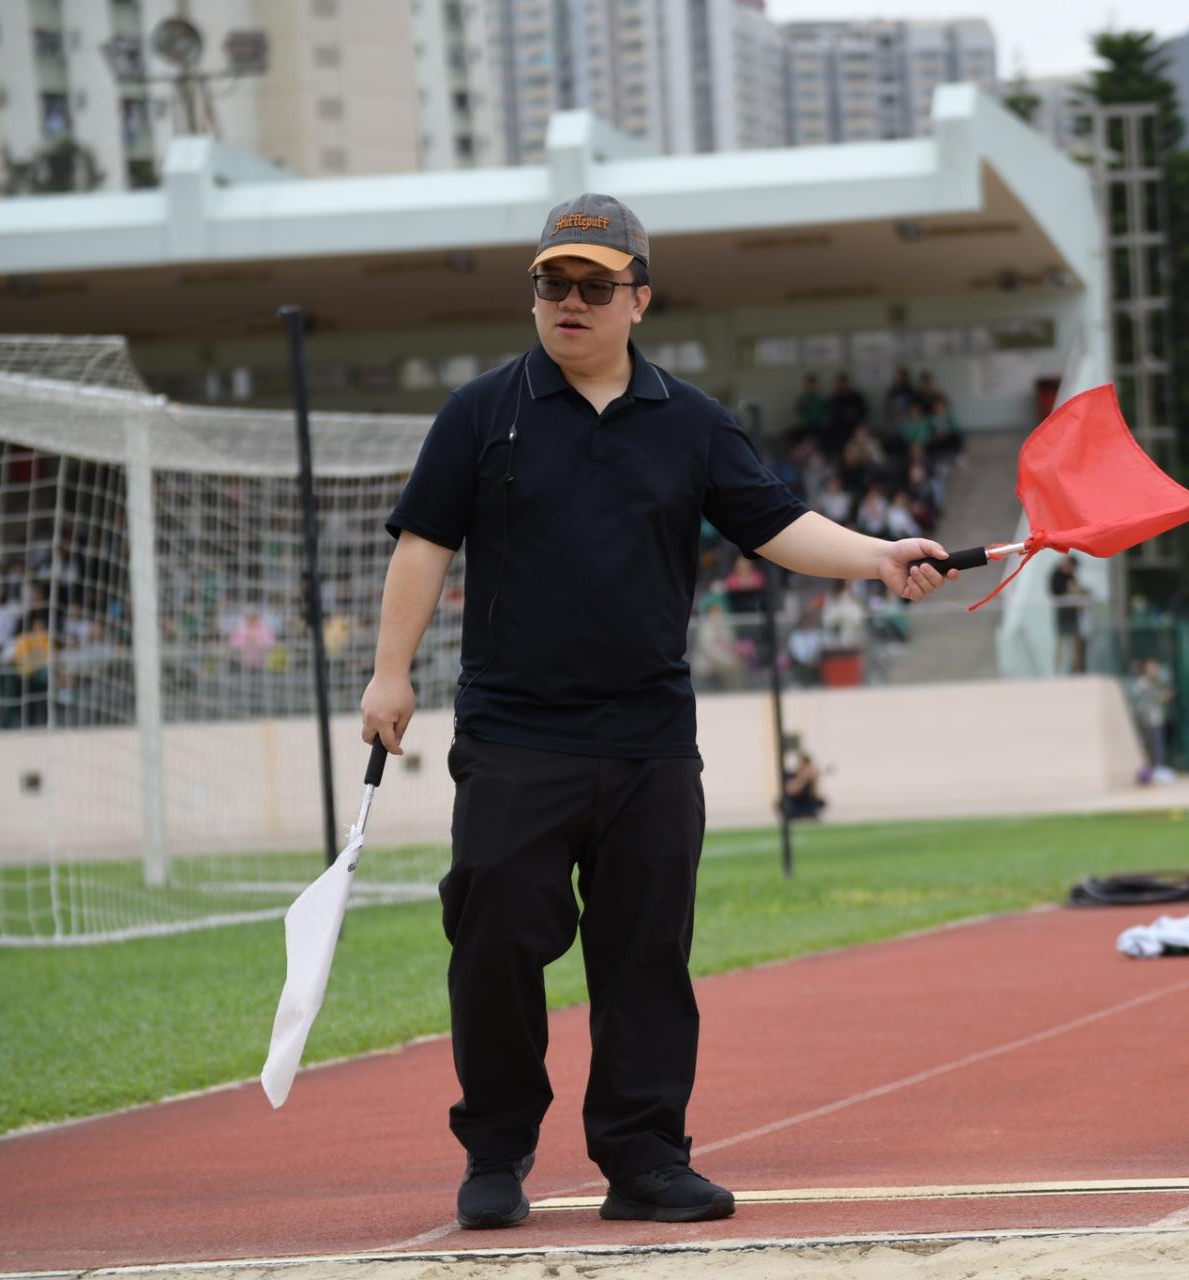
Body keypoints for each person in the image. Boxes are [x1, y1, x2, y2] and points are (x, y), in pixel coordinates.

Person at [359, 194, 959, 1232]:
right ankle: (496, 1149)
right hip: (514, 732)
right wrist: (389, 673)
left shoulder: (691, 420)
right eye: (554, 282)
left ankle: (642, 1157)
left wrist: (878, 556)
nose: (572, 301)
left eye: (596, 286)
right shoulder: (481, 412)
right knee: (494, 933)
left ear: (639, 299)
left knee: (644, 954)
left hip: (648, 737)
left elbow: (775, 524)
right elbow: (424, 542)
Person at [1129, 657, 1174, 782]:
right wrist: (1159, 696)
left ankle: (1158, 769)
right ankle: (1150, 771)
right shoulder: (1142, 683)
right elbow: (1142, 699)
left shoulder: (1158, 682)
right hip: (1145, 720)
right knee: (1149, 746)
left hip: (1156, 718)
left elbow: (1163, 696)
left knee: (1159, 745)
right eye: (1151, 668)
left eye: (1155, 668)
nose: (1153, 670)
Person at [780, 748, 827, 819]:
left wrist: (814, 781)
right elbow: (791, 791)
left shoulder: (810, 777)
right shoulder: (791, 775)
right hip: (794, 805)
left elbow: (814, 795)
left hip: (806, 804)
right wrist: (803, 777)